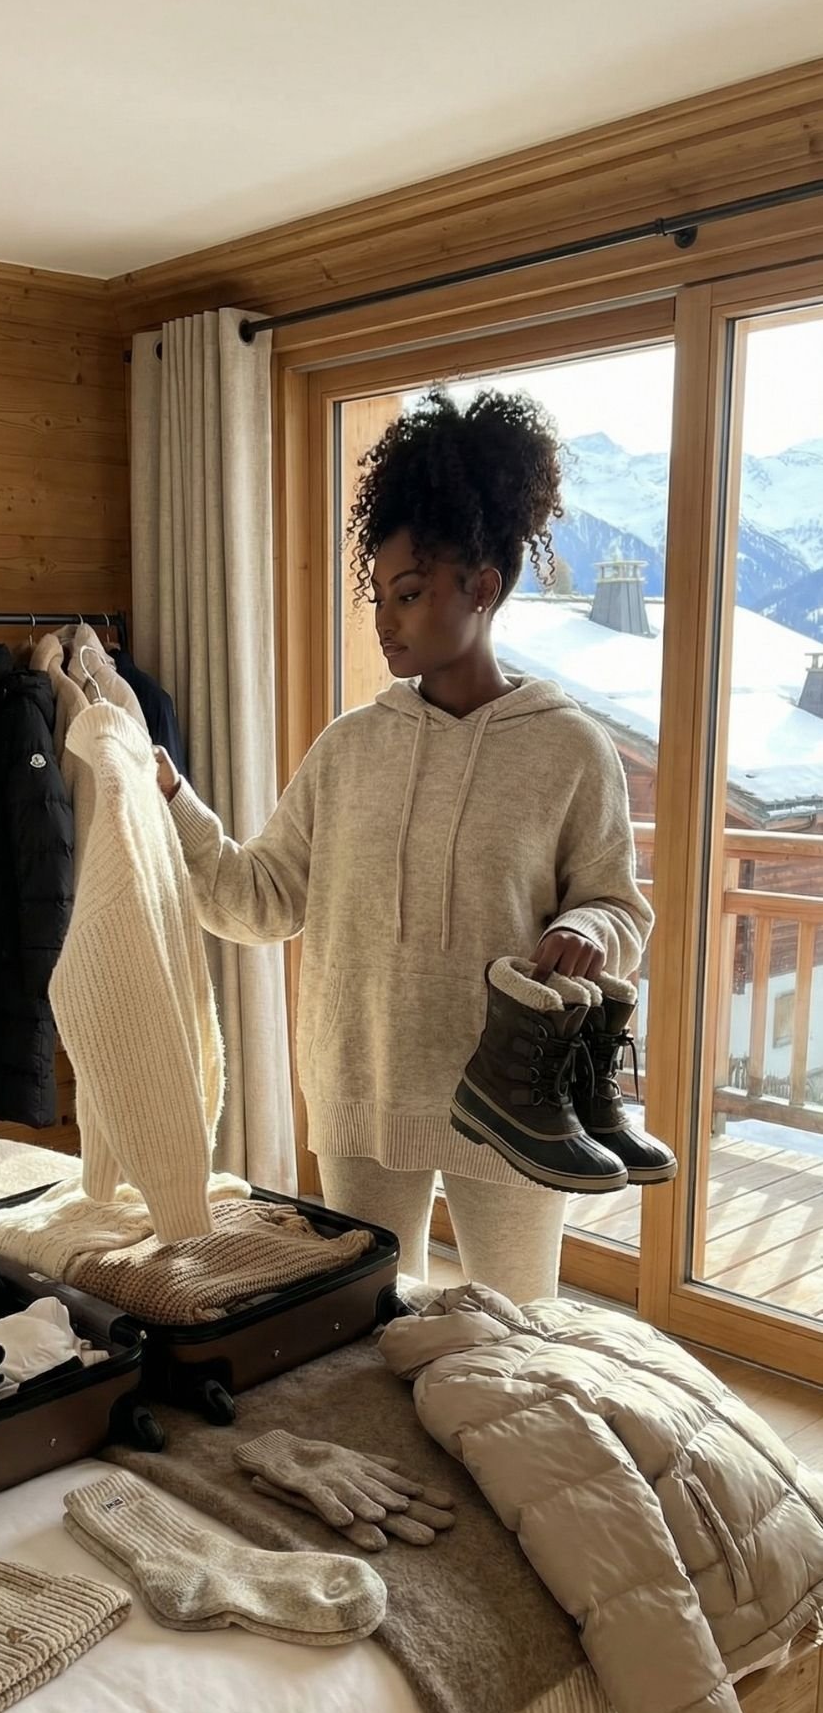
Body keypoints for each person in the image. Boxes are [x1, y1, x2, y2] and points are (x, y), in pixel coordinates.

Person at [154, 387, 652, 1298]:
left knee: (518, 1328)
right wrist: (169, 798)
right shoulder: (350, 747)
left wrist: (589, 926)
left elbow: (618, 902)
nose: (385, 620)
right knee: (367, 1329)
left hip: (507, 1097)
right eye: (380, 596)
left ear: (484, 589)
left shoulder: (568, 748)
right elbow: (256, 899)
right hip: (359, 1082)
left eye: (412, 594)